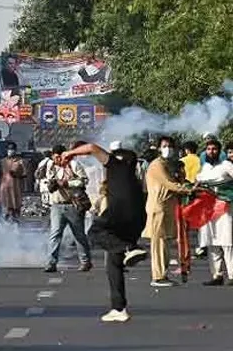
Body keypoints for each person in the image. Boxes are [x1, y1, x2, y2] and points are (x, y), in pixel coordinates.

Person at [60, 142, 147, 323]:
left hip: (118, 213)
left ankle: (129, 248)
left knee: (94, 232)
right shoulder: (134, 177)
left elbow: (91, 147)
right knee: (113, 263)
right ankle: (118, 308)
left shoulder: (115, 165)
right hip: (138, 218)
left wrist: (70, 153)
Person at [142, 136, 192, 288]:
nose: (167, 149)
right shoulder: (156, 165)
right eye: (164, 146)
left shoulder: (170, 165)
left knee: (165, 242)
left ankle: (162, 274)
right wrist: (189, 189)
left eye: (170, 146)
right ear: (158, 148)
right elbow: (169, 184)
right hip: (159, 207)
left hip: (168, 208)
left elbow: (178, 182)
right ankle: (158, 276)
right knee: (158, 243)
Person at [44, 145, 92, 273]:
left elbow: (83, 181)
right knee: (55, 235)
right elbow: (48, 180)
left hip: (73, 205)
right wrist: (52, 185)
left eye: (58, 157)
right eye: (54, 158)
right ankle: (51, 263)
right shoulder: (51, 166)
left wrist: (66, 183)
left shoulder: (74, 165)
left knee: (79, 235)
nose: (56, 160)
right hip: (56, 205)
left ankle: (85, 261)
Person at [195, 139, 233, 286]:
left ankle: (232, 274)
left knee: (227, 241)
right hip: (208, 210)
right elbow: (198, 182)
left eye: (214, 149)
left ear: (219, 151)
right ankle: (217, 275)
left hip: (225, 209)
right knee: (211, 241)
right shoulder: (205, 168)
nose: (211, 151)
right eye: (209, 149)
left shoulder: (227, 165)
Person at [0, 142, 26, 222]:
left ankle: (16, 227)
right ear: (7, 150)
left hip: (15, 189)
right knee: (6, 209)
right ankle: (5, 227)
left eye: (13, 149)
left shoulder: (20, 161)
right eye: (9, 149)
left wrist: (16, 175)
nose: (11, 151)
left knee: (16, 209)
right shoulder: (3, 161)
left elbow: (24, 175)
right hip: (4, 189)